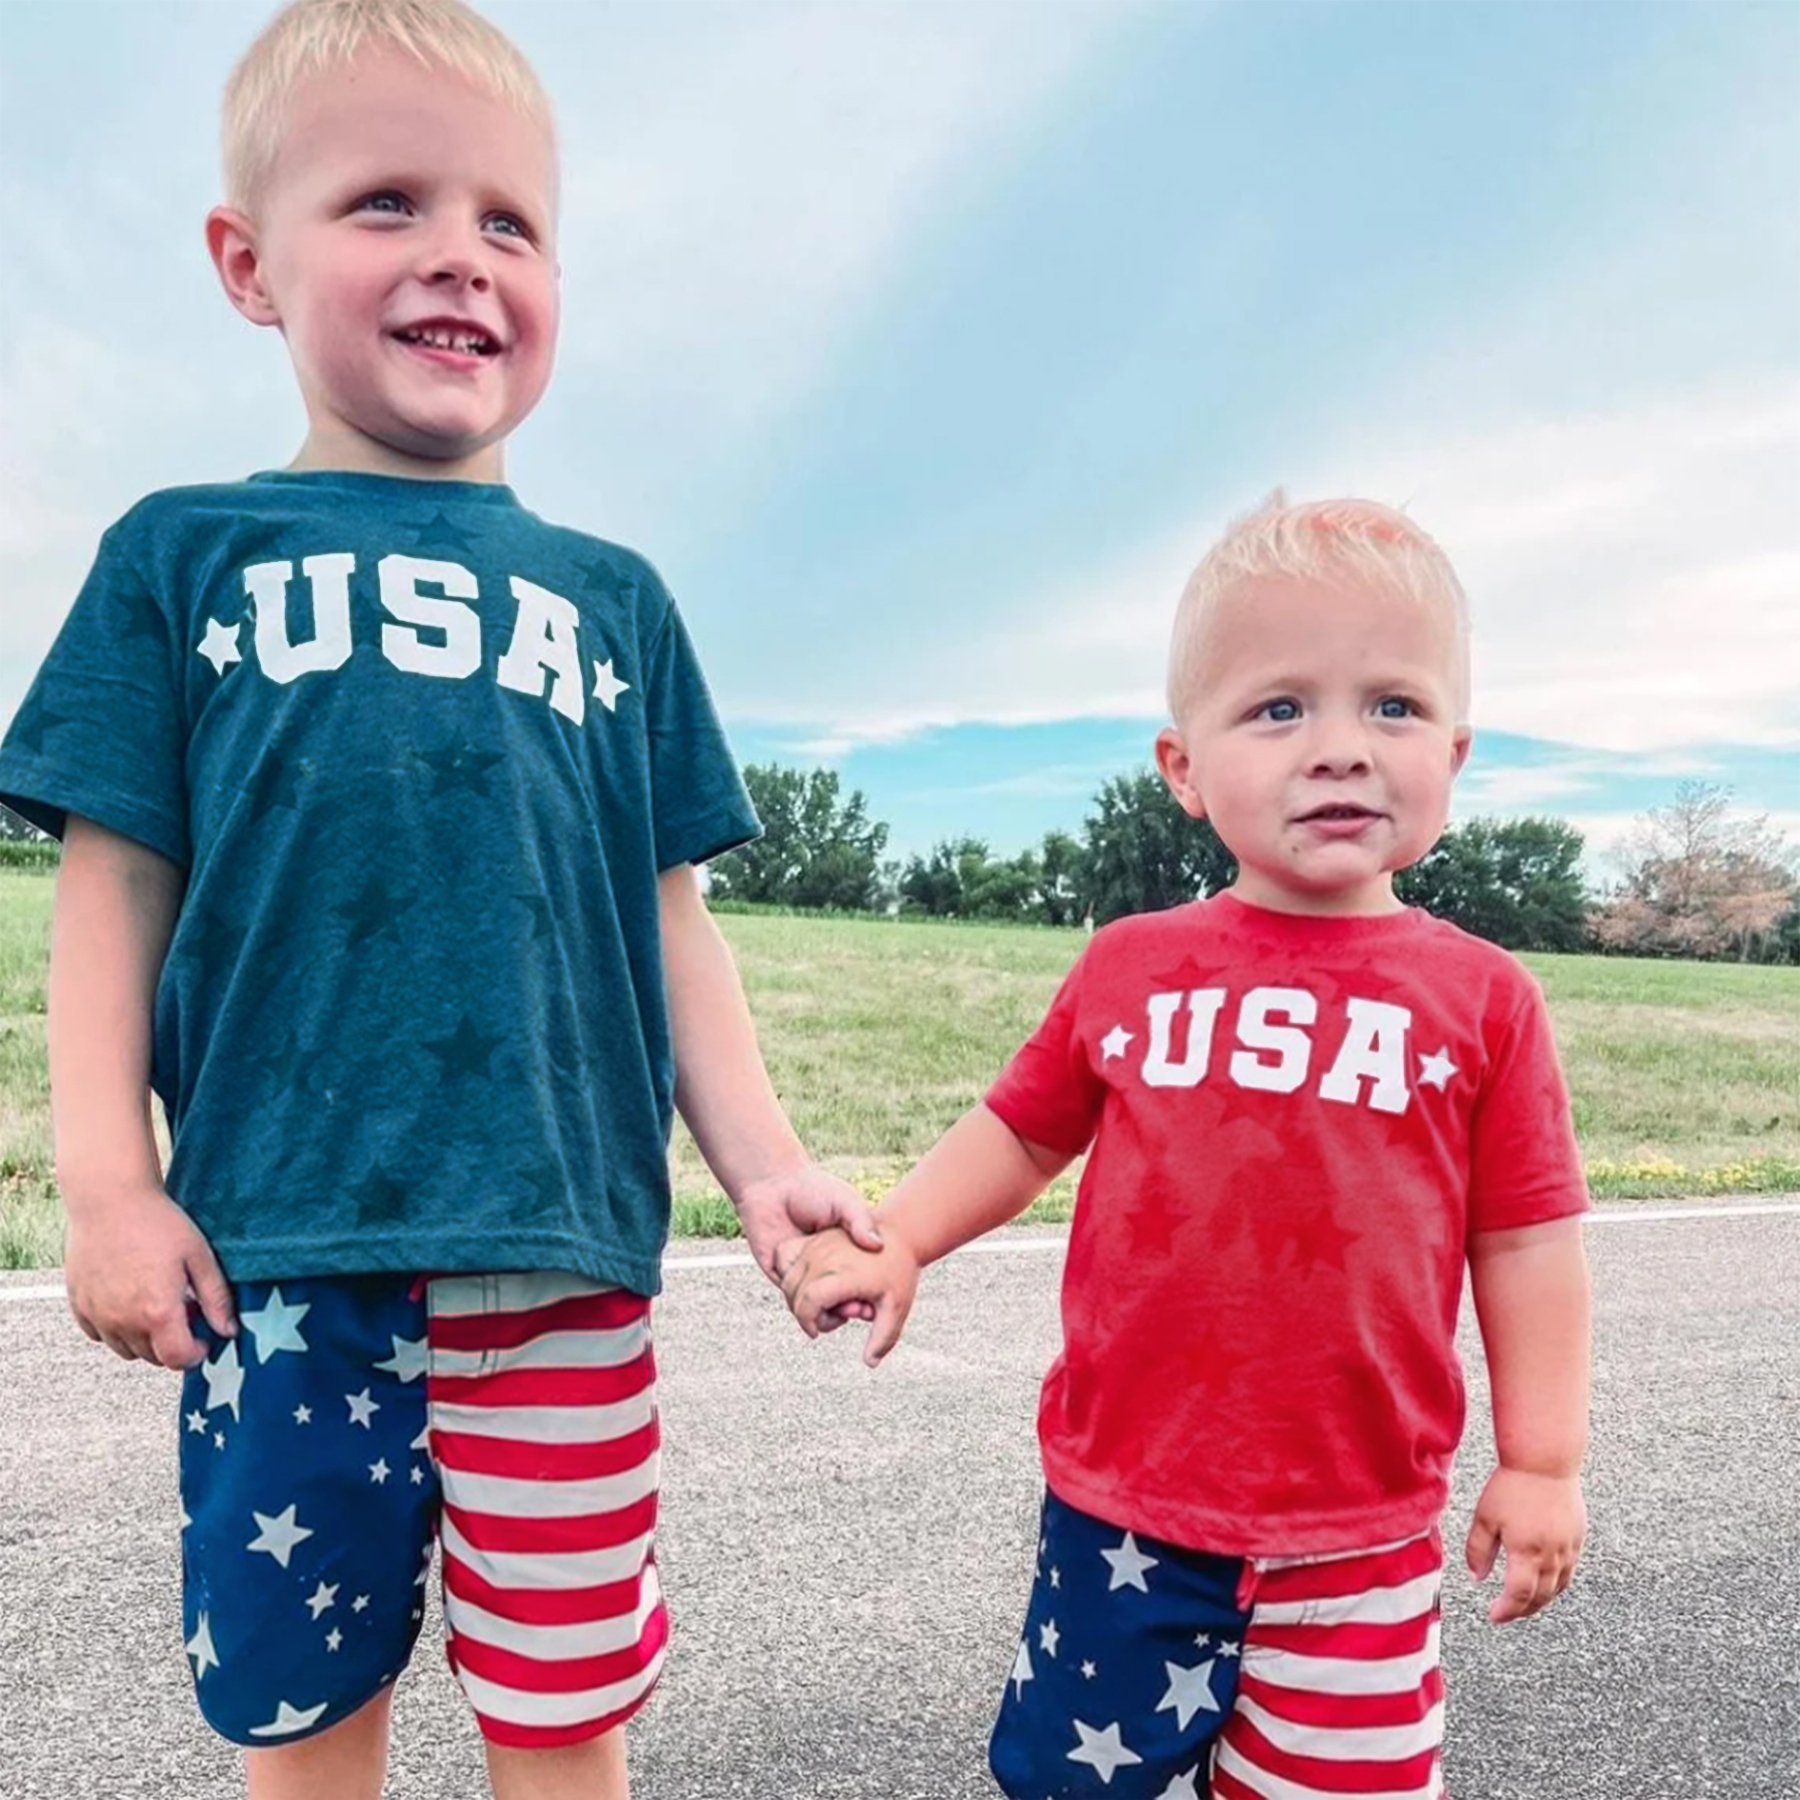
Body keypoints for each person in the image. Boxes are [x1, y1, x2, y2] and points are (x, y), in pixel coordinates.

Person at [0, 2, 880, 1796]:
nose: (461, 254)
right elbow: (113, 888)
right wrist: (105, 1182)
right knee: (305, 1712)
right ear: (248, 265)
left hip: (558, 1256)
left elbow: (668, 922)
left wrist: (768, 1166)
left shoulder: (613, 600)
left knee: (565, 1711)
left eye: (511, 222)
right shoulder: (181, 556)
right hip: (279, 1254)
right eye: (388, 202)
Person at [780, 495, 1592, 1800]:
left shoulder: (1487, 1001)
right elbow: (1019, 1129)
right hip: (1125, 1519)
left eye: (1392, 706)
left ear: (1456, 750)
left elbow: (1527, 1241)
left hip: (1359, 1539)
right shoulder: (1132, 966)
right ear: (1184, 767)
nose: (1341, 750)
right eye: (1280, 709)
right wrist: (904, 1237)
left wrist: (1543, 1459)